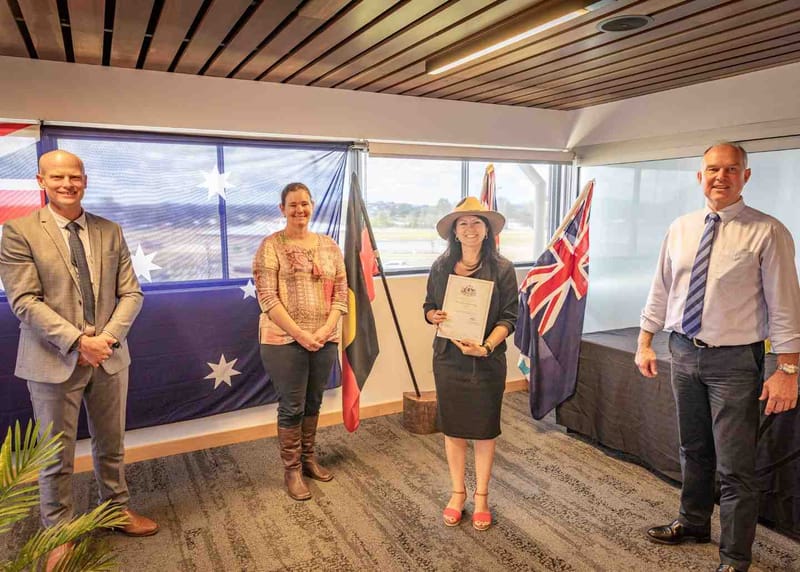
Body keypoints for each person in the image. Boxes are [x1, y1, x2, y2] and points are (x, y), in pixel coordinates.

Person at [635, 142, 800, 572]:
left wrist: (788, 369)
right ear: (699, 176)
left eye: (731, 169)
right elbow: (661, 288)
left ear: (746, 176)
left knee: (735, 465)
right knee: (693, 448)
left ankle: (734, 557)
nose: (720, 177)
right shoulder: (681, 227)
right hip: (683, 352)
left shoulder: (768, 231)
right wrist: (645, 339)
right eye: (712, 169)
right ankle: (693, 523)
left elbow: (785, 307)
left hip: (735, 362)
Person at [0, 150, 158, 569]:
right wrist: (76, 341)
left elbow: (132, 293)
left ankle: (115, 509)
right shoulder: (17, 232)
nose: (67, 184)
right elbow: (24, 301)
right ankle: (58, 531)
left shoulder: (110, 230)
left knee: (112, 444)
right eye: (57, 177)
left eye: (75, 176)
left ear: (85, 180)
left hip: (108, 355)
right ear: (41, 181)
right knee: (56, 454)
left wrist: (104, 339)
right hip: (53, 360)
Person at [423, 196, 518, 531]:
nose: (470, 229)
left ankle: (482, 498)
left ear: (487, 229)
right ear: (454, 232)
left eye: (477, 222)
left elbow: (510, 317)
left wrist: (487, 346)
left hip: (487, 361)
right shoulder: (440, 266)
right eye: (462, 224)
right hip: (449, 360)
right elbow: (429, 307)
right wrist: (433, 315)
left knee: (484, 429)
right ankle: (457, 493)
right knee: (453, 428)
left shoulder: (504, 269)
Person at [253, 182, 348, 501]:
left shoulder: (329, 246)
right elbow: (267, 297)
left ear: (312, 206)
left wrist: (325, 330)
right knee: (292, 406)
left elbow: (341, 292)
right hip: (283, 340)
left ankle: (309, 459)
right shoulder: (270, 246)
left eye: (305, 204)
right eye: (293, 205)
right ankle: (292, 469)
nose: (300, 210)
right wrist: (301, 333)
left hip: (325, 338)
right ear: (282, 209)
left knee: (314, 402)